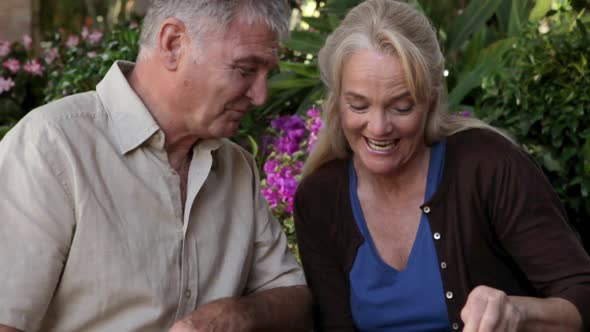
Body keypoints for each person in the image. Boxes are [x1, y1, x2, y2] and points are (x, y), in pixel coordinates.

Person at [0, 1, 313, 331]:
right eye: (245, 69)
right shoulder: (51, 147)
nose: (261, 95)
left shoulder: (236, 166)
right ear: (173, 43)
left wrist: (238, 315)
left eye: (267, 74)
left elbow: (293, 297)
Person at [293, 0, 590, 331]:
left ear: (431, 98)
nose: (378, 128)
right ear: (336, 102)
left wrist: (519, 312)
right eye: (359, 105)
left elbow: (580, 293)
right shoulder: (320, 198)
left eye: (402, 107)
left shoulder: (487, 165)